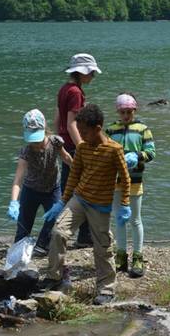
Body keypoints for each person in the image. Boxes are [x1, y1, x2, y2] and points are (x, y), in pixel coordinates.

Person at [43, 104, 132, 304]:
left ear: (97, 128)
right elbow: (74, 175)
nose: (81, 136)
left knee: (102, 247)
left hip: (100, 206)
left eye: (84, 132)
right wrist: (62, 202)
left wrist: (125, 204)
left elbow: (125, 178)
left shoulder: (114, 150)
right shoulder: (83, 147)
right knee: (59, 232)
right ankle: (53, 276)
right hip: (79, 199)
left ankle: (107, 288)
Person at [6, 109, 72, 256]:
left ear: (44, 130)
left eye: (37, 139)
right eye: (32, 140)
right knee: (24, 226)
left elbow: (66, 158)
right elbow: (18, 180)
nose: (35, 143)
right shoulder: (26, 151)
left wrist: (78, 169)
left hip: (52, 190)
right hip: (31, 191)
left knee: (54, 219)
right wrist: (13, 202)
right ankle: (18, 252)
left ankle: (42, 245)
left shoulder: (55, 142)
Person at [106, 93, 156, 278]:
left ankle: (137, 256)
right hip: (115, 182)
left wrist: (138, 156)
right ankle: (120, 255)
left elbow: (151, 152)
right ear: (117, 111)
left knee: (135, 219)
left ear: (135, 110)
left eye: (129, 112)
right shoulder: (111, 130)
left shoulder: (143, 129)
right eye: (123, 112)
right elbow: (105, 151)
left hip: (135, 181)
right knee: (119, 219)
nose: (126, 115)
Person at [54, 53, 100, 249]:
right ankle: (83, 235)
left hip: (65, 144)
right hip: (74, 147)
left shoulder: (65, 89)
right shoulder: (76, 92)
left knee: (67, 189)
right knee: (85, 189)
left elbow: (58, 119)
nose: (93, 77)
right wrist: (82, 147)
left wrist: (59, 142)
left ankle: (58, 233)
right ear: (83, 73)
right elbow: (72, 123)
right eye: (91, 73)